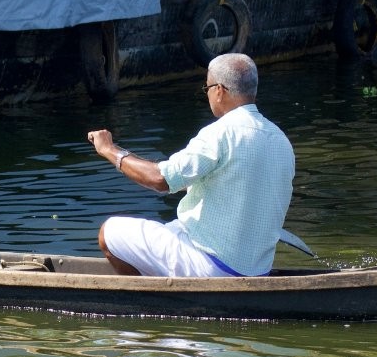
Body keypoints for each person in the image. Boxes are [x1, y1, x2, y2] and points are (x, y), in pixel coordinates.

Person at [86, 52, 294, 278]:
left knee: (109, 232)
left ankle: (149, 301)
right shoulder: (281, 140)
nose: (208, 96)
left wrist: (110, 150)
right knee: (171, 228)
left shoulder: (221, 133)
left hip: (211, 266)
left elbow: (160, 179)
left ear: (219, 90)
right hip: (257, 270)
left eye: (207, 89)